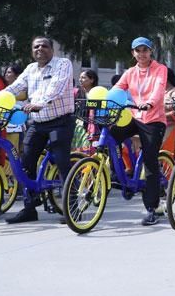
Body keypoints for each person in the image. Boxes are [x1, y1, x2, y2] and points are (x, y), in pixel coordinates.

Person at [3, 36, 75, 223]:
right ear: (32, 50)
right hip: (37, 123)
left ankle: (73, 209)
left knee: (62, 163)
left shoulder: (63, 63)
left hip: (60, 121)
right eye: (36, 46)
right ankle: (29, 209)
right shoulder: (30, 68)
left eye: (44, 46)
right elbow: (15, 86)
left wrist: (39, 103)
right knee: (26, 162)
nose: (40, 49)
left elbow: (56, 87)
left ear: (52, 49)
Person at [111, 37, 168, 225]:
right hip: (134, 116)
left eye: (145, 50)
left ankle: (152, 208)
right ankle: (117, 172)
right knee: (111, 134)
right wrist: (105, 101)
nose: (141, 53)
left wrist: (150, 103)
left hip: (153, 119)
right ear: (133, 53)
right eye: (138, 50)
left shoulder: (160, 69)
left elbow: (159, 90)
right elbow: (117, 90)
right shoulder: (129, 72)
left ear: (151, 51)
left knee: (149, 161)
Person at [72, 69, 99, 152]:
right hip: (78, 126)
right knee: (75, 151)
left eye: (83, 77)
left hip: (92, 127)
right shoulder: (76, 92)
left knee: (87, 151)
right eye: (80, 77)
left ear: (92, 80)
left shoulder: (98, 92)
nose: (80, 79)